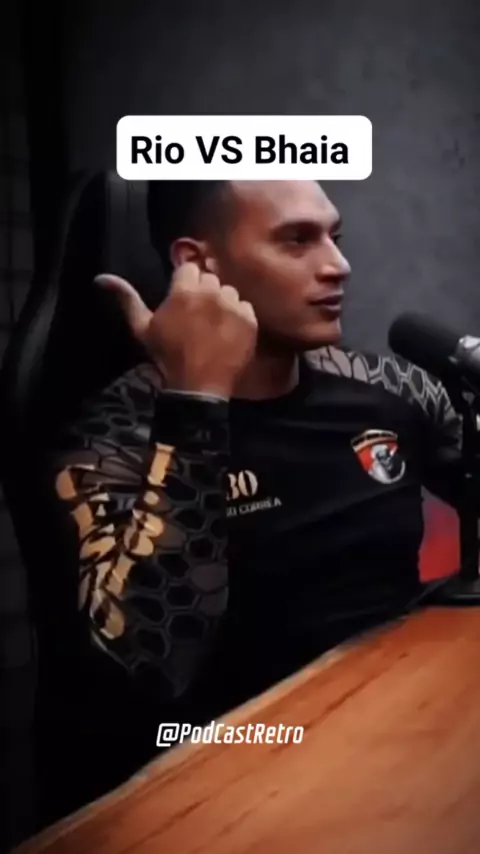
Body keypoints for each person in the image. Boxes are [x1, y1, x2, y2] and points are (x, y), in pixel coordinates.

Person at [51, 179, 463, 744]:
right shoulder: (116, 431)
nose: (338, 265)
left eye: (335, 237)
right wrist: (196, 401)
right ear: (197, 263)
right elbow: (154, 661)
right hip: (235, 753)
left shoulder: (390, 390)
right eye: (298, 240)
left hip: (398, 715)